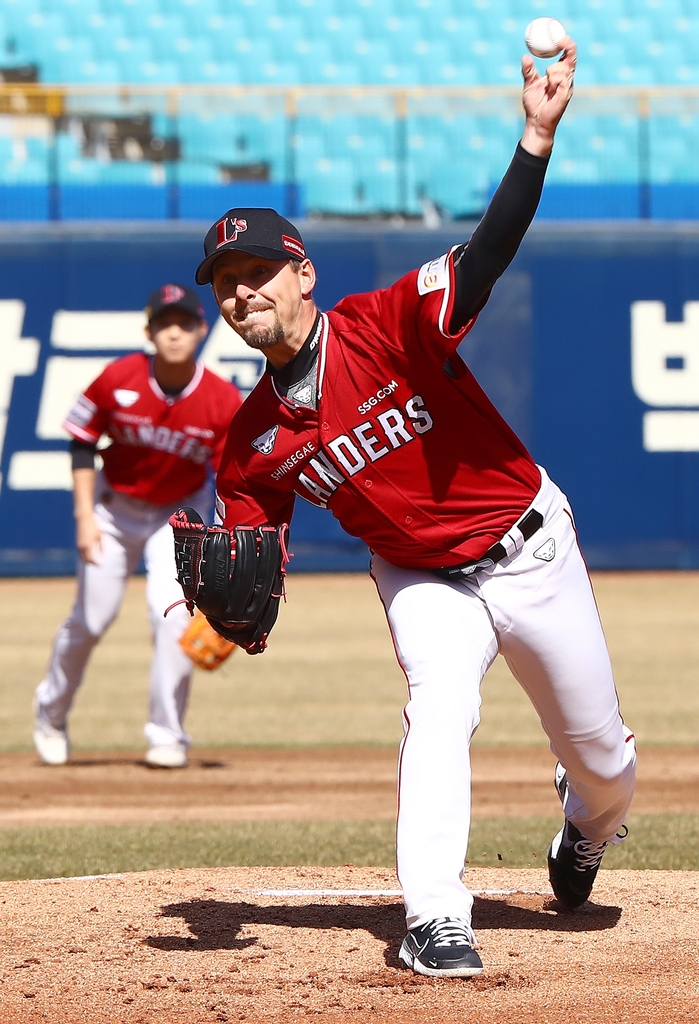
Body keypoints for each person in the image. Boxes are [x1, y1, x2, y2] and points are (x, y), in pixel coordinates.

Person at [193, 37, 636, 975]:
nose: (241, 295)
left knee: (603, 764)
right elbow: (245, 543)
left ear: (302, 274)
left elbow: (485, 255)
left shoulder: (387, 326)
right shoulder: (252, 441)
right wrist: (213, 623)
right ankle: (435, 917)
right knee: (439, 706)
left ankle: (585, 821)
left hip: (527, 546)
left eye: (257, 274)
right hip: (419, 576)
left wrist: (533, 138)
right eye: (226, 287)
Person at [33, 284, 242, 769]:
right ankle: (51, 714)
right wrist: (85, 519)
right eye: (165, 323)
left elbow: (232, 476)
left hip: (178, 513)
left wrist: (222, 543)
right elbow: (83, 441)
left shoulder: (219, 398)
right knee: (91, 620)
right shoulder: (118, 378)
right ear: (148, 331)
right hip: (113, 508)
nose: (175, 333)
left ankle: (167, 735)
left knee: (171, 618)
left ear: (201, 329)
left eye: (184, 323)